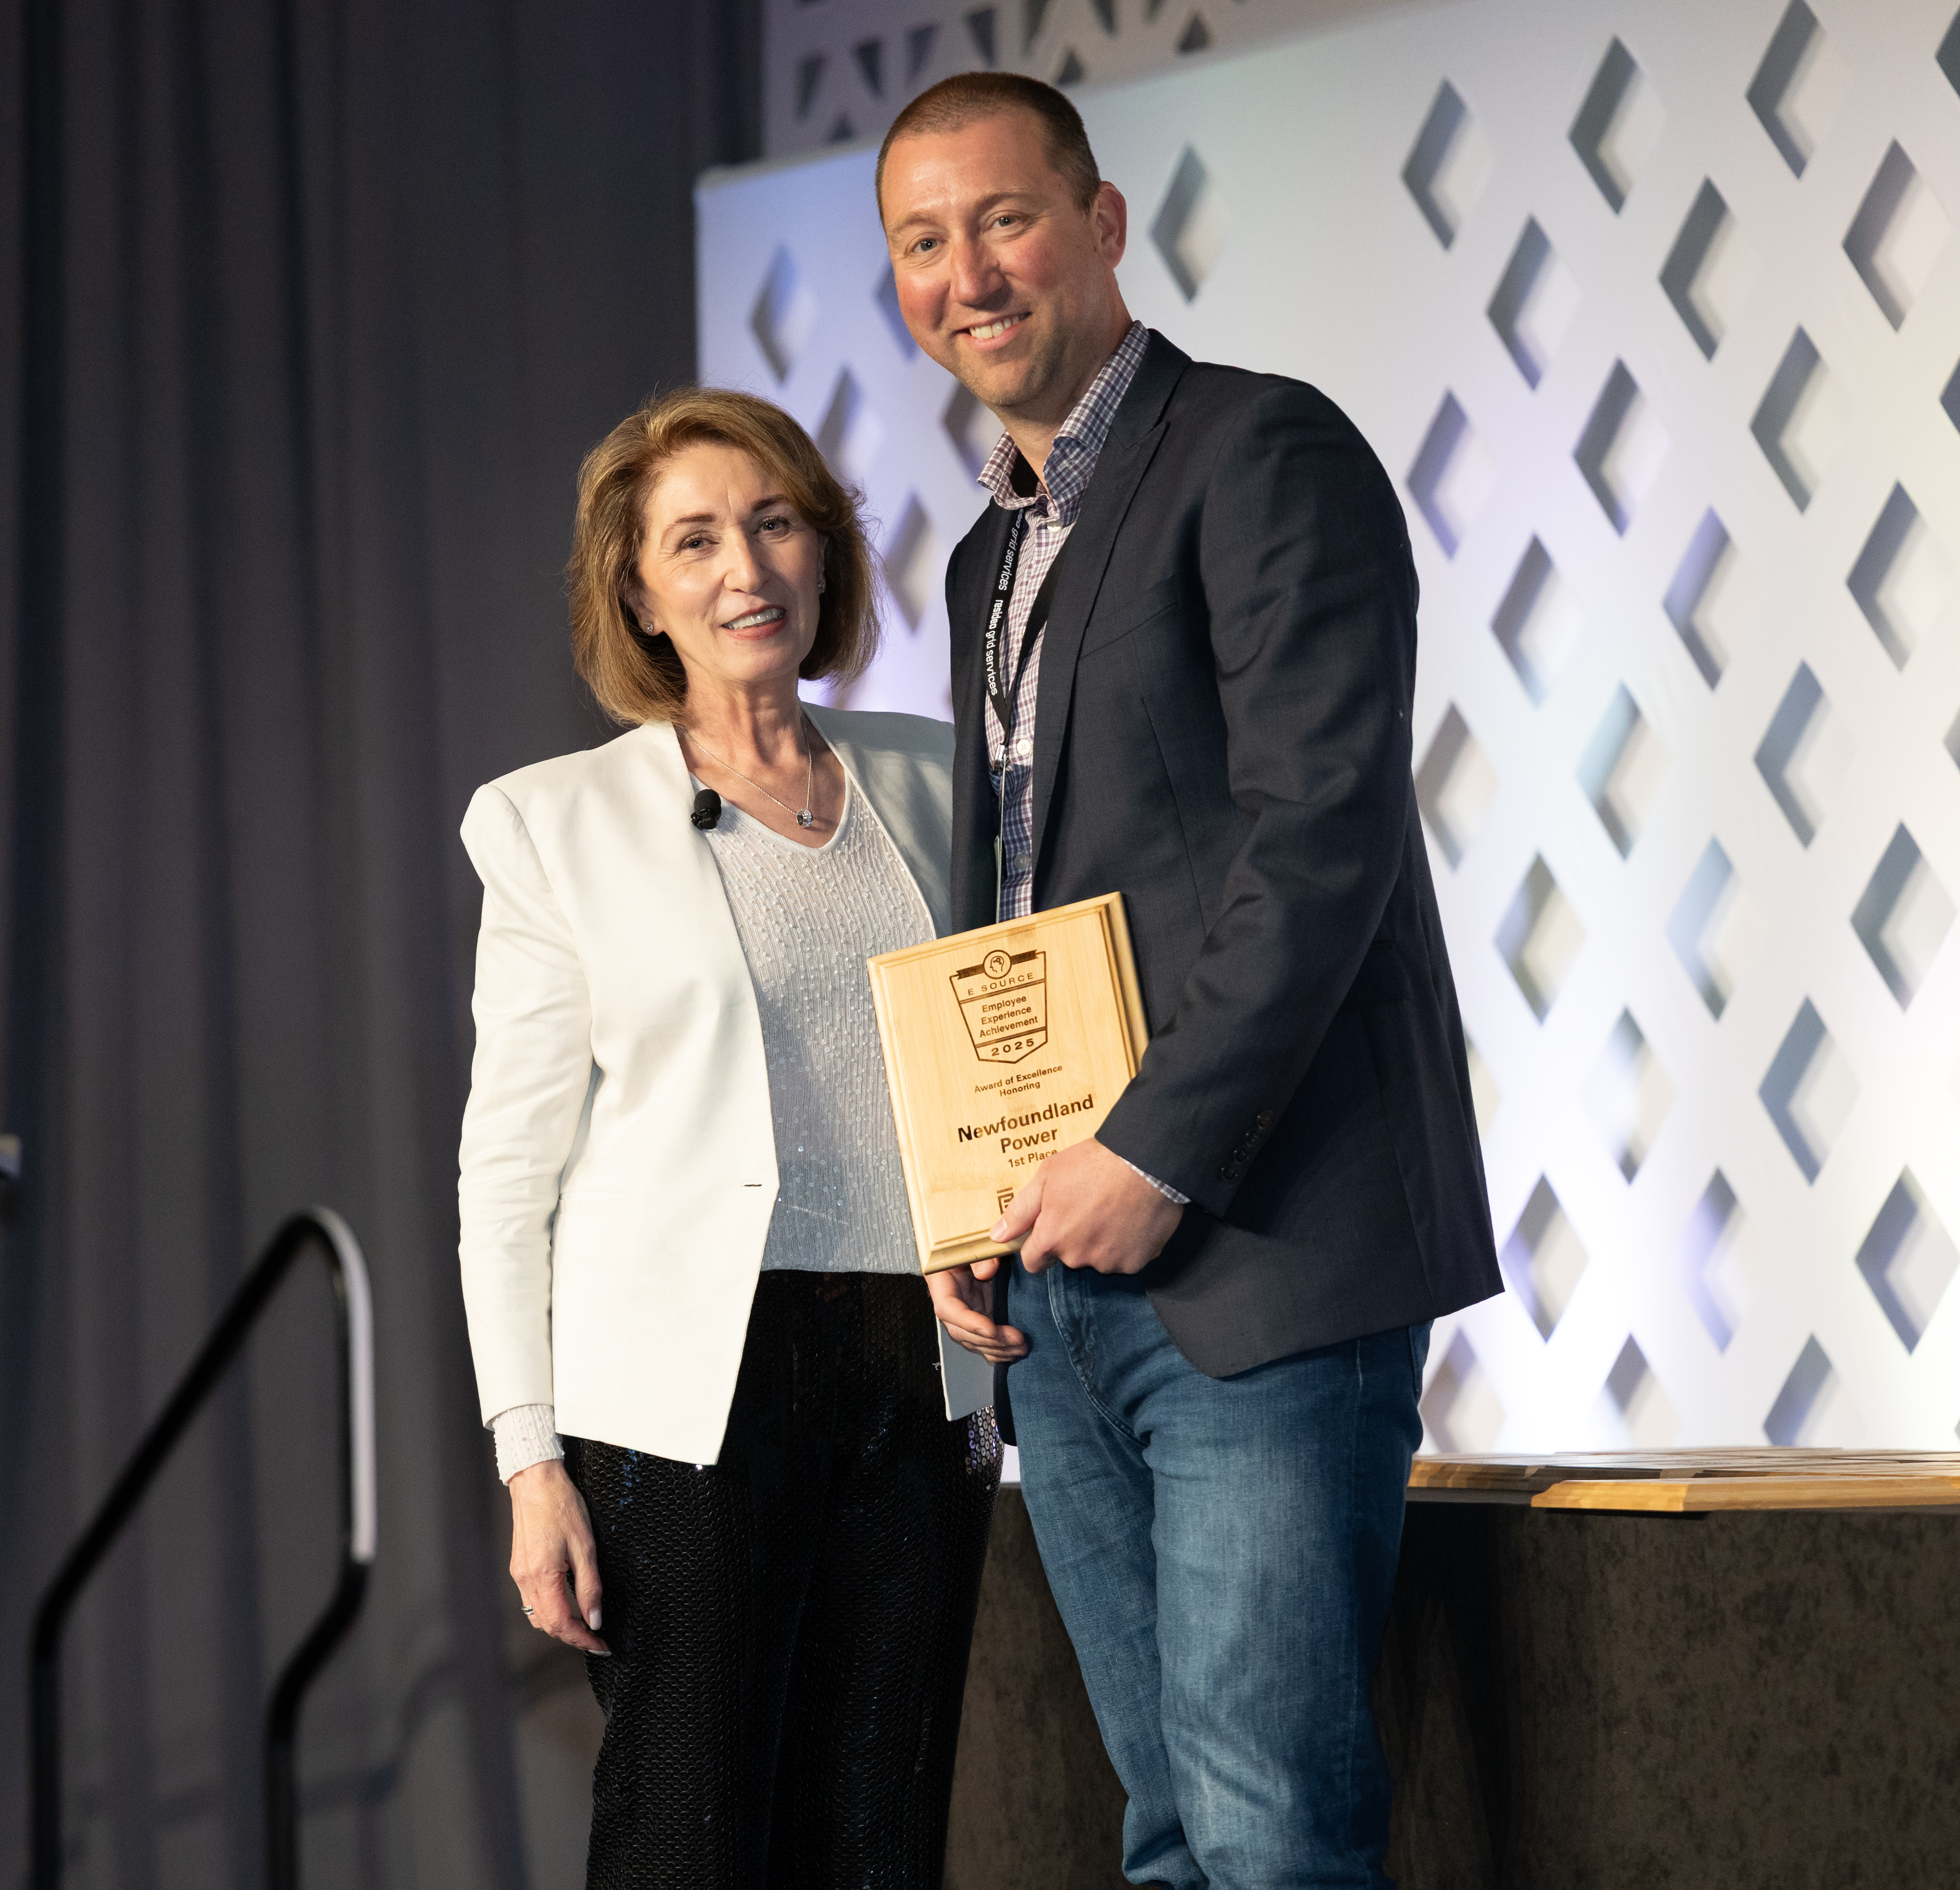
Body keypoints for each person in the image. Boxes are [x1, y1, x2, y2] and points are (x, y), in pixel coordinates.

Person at [877, 72, 1503, 1888]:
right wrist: (967, 1184)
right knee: (1164, 1838)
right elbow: (1029, 897)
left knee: (1269, 1834)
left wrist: (1151, 1153)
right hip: (1061, 1279)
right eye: (924, 242)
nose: (968, 273)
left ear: (1101, 222)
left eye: (1001, 219)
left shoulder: (1263, 453)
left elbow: (1323, 840)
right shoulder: (993, 549)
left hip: (1261, 1254)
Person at [455, 386, 999, 1888]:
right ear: (636, 589)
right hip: (685, 1402)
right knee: (690, 1845)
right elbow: (506, 1181)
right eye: (693, 540)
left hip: (923, 1378)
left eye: (773, 525)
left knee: (880, 1841)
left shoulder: (940, 782)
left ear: (825, 554)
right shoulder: (552, 824)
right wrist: (529, 1465)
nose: (743, 570)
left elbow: (1003, 1059)